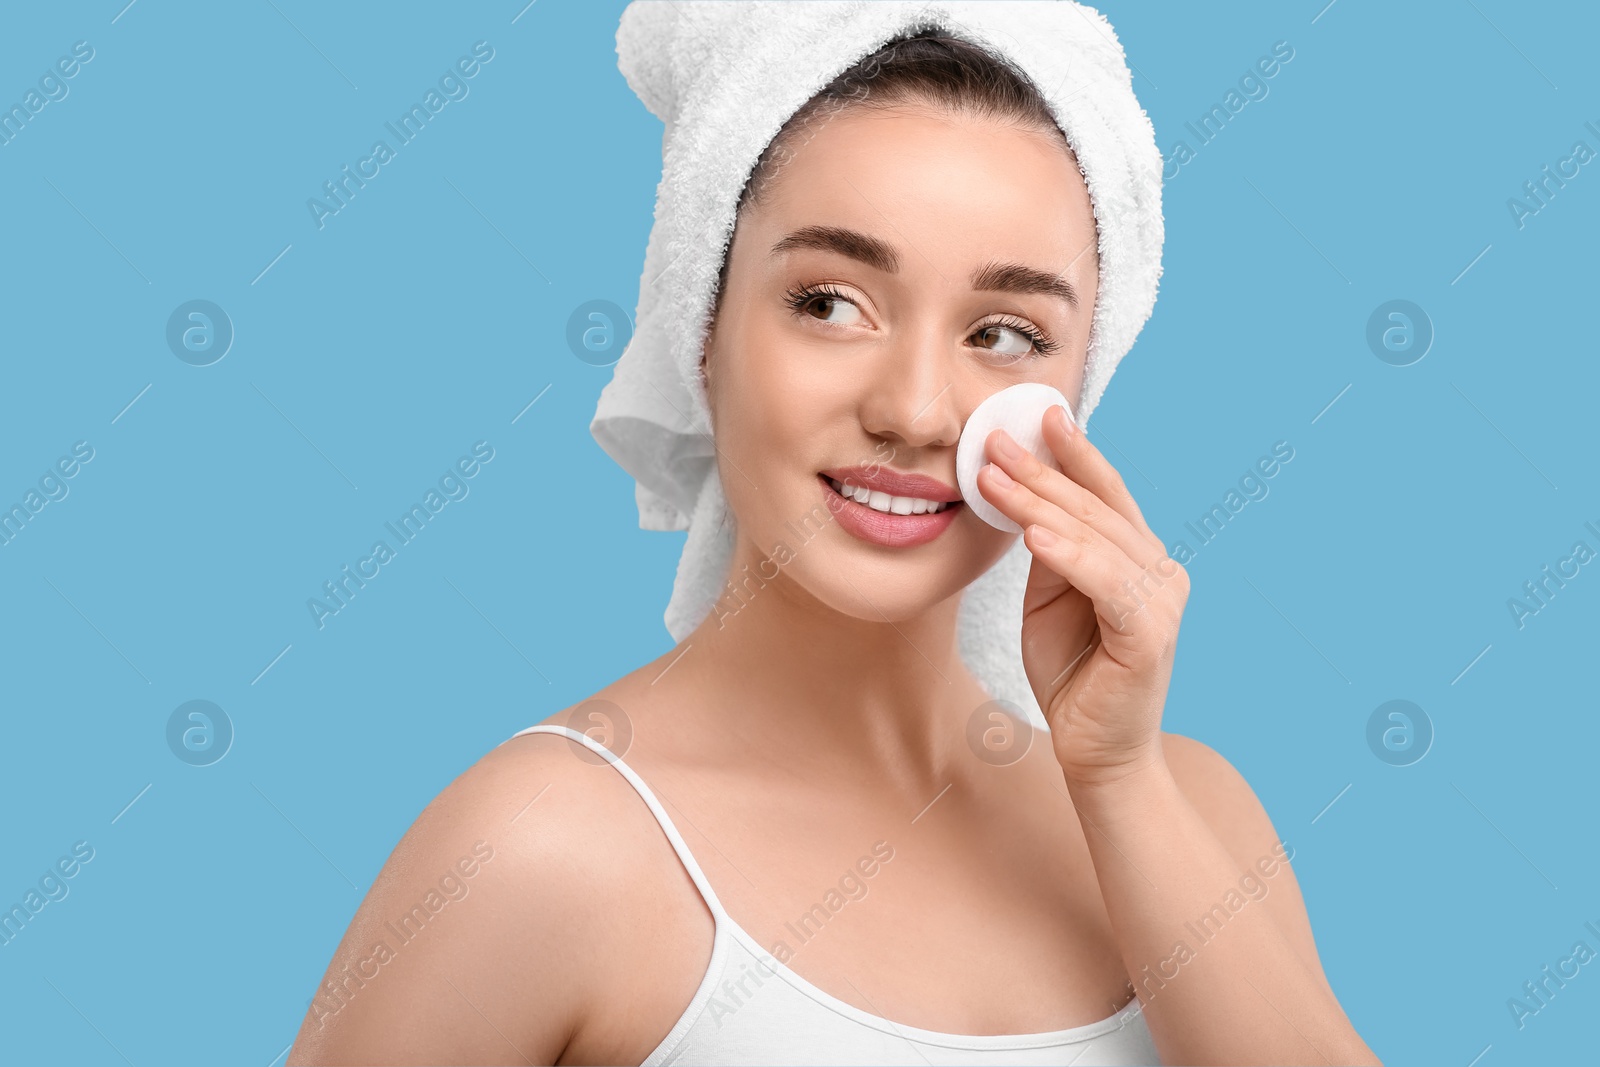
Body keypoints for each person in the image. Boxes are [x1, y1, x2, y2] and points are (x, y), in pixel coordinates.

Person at [289, 9, 1380, 1066]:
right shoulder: (539, 851)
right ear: (701, 327)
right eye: (828, 301)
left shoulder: (1189, 812)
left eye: (1003, 333)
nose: (912, 409)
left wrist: (1118, 777)